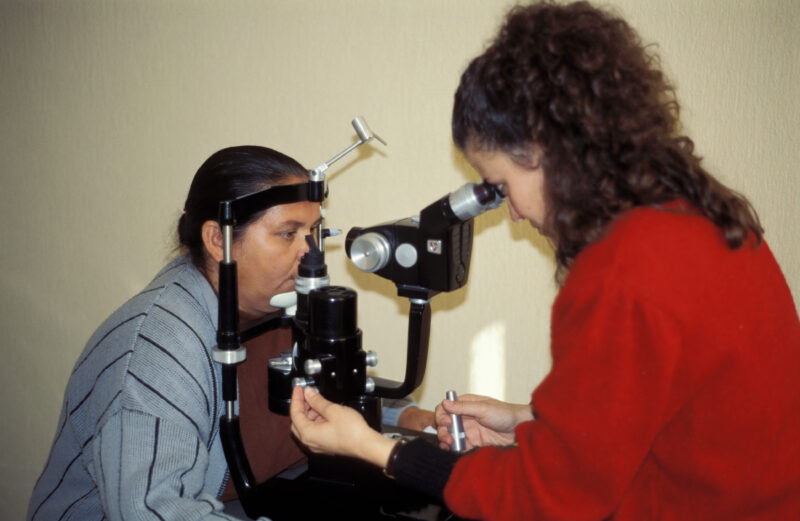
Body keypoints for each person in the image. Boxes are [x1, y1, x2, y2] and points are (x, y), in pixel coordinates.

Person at [289, 2, 800, 520]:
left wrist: (375, 448)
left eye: (504, 186)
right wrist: (528, 422)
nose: (511, 213)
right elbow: (664, 406)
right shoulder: (702, 218)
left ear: (545, 149)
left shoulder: (621, 274)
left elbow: (547, 501)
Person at [27, 145, 433, 521]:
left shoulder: (280, 299)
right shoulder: (157, 354)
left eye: (313, 231)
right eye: (288, 233)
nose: (309, 252)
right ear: (216, 241)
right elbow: (156, 512)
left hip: (252, 497)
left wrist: (405, 415)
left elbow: (331, 386)